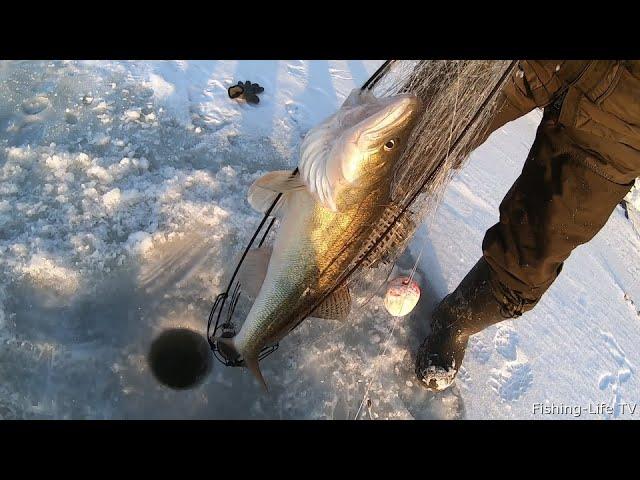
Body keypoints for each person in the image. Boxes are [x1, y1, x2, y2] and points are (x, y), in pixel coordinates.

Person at [415, 60, 640, 391]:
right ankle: (340, 216)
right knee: (416, 128)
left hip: (625, 112)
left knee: (528, 263)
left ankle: (456, 321)